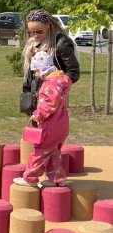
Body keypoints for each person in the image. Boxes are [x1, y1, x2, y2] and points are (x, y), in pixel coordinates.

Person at [14, 51, 72, 187]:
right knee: (53, 152)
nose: (35, 75)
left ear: (43, 69)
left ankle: (30, 178)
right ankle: (57, 179)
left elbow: (49, 105)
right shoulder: (60, 82)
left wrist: (37, 114)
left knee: (39, 151)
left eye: (36, 71)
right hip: (61, 125)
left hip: (50, 127)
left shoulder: (49, 85)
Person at [21, 9, 80, 113]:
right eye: (31, 32)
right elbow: (30, 72)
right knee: (36, 123)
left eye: (39, 31)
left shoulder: (61, 42)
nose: (35, 36)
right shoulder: (32, 44)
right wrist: (27, 91)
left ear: (48, 25)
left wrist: (54, 86)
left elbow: (73, 72)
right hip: (35, 95)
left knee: (51, 123)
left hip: (53, 97)